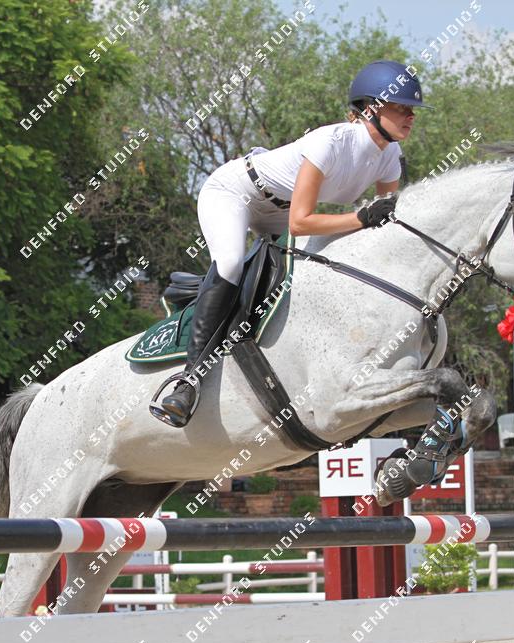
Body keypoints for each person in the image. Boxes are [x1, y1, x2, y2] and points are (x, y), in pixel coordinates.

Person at [155, 59, 431, 428]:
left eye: (412, 109)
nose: (411, 116)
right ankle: (189, 380)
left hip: (281, 211)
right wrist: (361, 218)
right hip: (237, 192)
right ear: (370, 109)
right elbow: (302, 222)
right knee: (232, 262)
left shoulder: (390, 157)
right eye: (401, 107)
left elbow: (382, 223)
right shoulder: (330, 142)